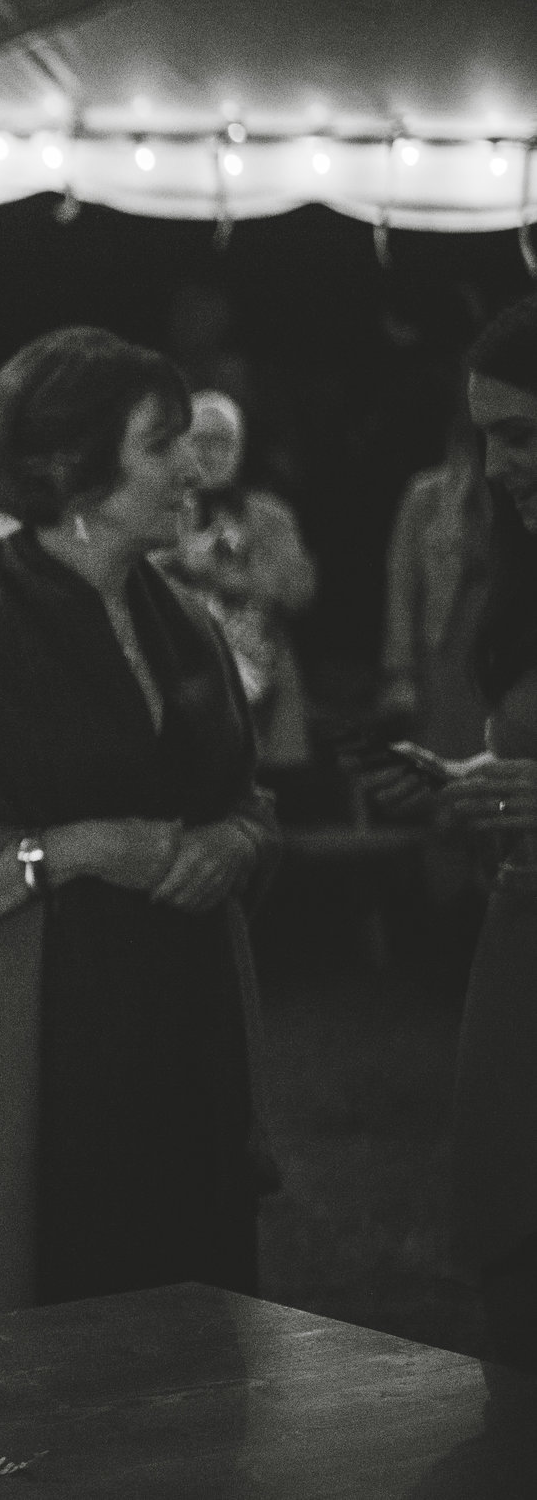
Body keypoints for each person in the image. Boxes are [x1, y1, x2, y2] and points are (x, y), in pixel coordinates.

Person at [0, 327, 278, 1323]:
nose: (190, 464)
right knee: (63, 1322)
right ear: (71, 470)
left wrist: (231, 843)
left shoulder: (185, 622)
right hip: (42, 1041)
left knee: (191, 1322)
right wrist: (72, 849)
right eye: (159, 443)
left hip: (184, 1023)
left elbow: (246, 799)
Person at [373, 292, 537, 1377]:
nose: (499, 467)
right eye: (484, 441)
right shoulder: (519, 568)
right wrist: (482, 791)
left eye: (521, 434)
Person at [161, 390, 317, 770]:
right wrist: (177, 561)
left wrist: (230, 576)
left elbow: (300, 592)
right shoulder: (159, 509)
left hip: (262, 686)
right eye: (202, 441)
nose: (212, 454)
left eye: (224, 442)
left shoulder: (271, 515)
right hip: (180, 680)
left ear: (241, 448)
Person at [383, 394, 490, 762]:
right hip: (446, 633)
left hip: (504, 635)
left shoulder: (516, 489)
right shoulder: (426, 495)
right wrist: (399, 670)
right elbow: (402, 583)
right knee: (444, 749)